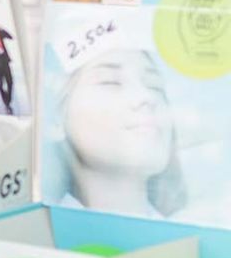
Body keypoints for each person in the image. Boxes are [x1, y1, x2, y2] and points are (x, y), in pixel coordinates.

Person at [48, 45, 186, 220]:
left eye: (155, 86)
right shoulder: (33, 238)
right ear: (56, 116)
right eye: (110, 82)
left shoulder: (205, 234)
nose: (147, 97)